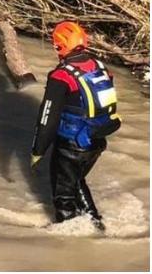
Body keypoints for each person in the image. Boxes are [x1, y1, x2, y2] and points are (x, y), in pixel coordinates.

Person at [30, 21, 121, 230]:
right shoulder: (99, 66)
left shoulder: (61, 76)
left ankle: (68, 236)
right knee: (77, 180)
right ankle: (96, 224)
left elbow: (47, 117)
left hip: (71, 145)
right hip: (97, 140)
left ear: (59, 46)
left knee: (63, 196)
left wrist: (37, 151)